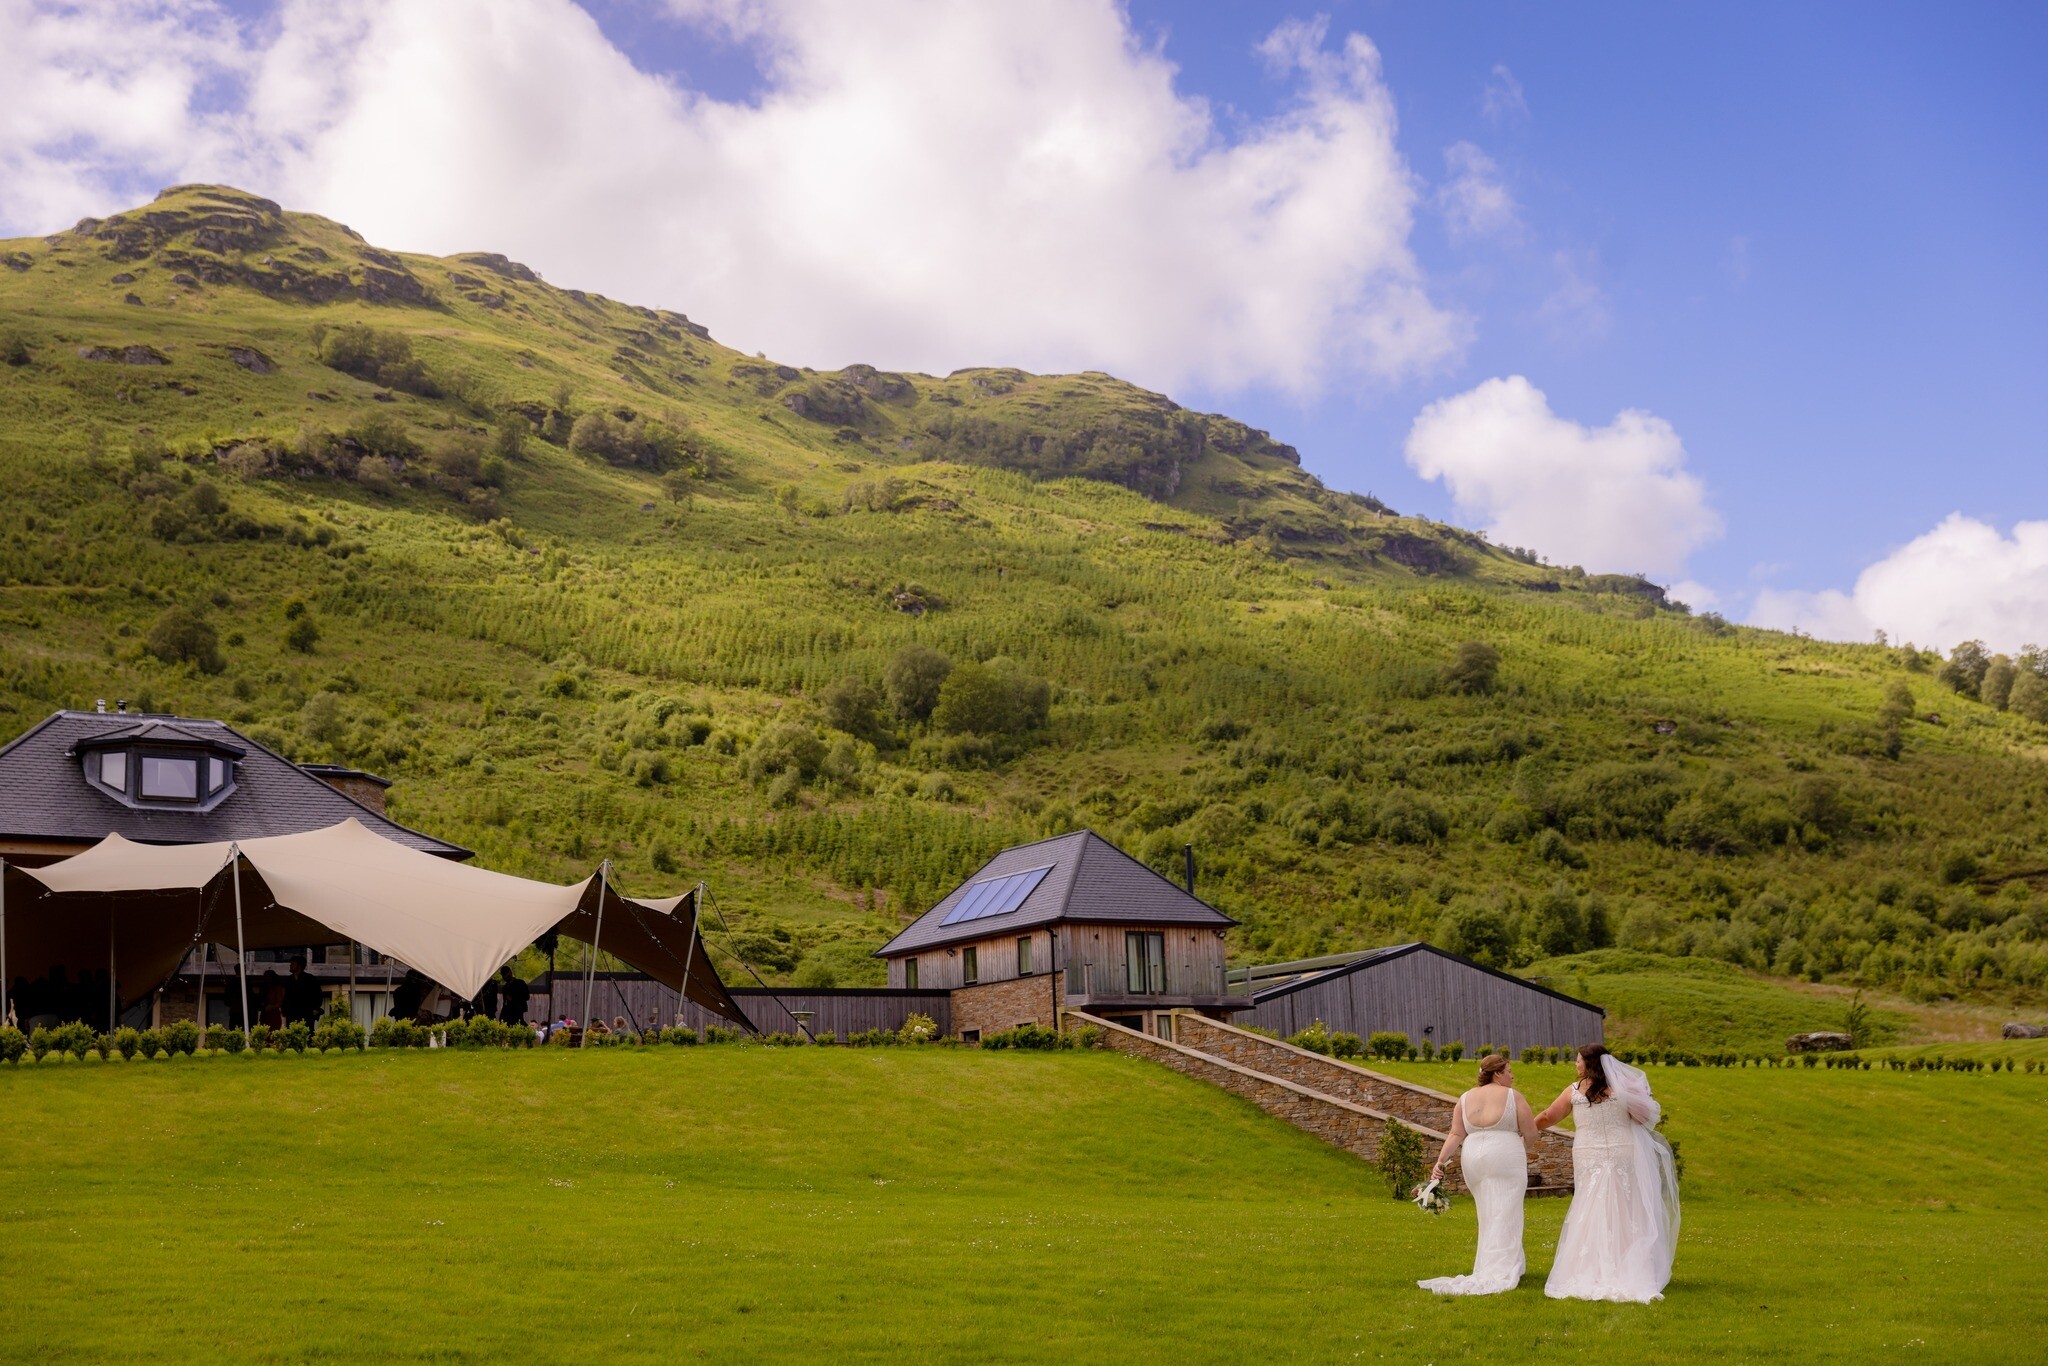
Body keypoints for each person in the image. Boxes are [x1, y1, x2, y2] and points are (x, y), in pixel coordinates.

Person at [1534, 1043, 1682, 1302]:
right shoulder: (1621, 1090)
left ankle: (1588, 1268)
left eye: (1579, 1060)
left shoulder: (1574, 1091)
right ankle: (1628, 1266)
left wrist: (1527, 1127)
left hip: (1589, 1154)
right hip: (1622, 1152)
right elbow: (1643, 1118)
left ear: (1589, 1063)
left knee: (1589, 1205)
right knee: (1625, 1207)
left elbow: (1549, 1116)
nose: (1576, 1064)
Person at [1418, 1052, 1536, 1296]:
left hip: (1473, 1159)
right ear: (1497, 1074)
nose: (1513, 1076)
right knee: (1507, 1211)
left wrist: (1440, 1162)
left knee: (1488, 1213)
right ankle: (1501, 1268)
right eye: (1509, 1071)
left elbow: (1455, 1134)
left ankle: (1501, 1264)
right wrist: (1522, 1146)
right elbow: (1531, 1132)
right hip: (1504, 1156)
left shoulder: (1464, 1098)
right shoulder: (1512, 1096)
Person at [284, 957, 323, 1026]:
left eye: (293, 964)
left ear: (299, 966)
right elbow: (285, 997)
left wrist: (314, 1010)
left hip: (306, 1014)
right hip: (292, 1015)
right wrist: (285, 1010)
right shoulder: (288, 980)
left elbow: (318, 995)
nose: (290, 965)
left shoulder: (310, 979)